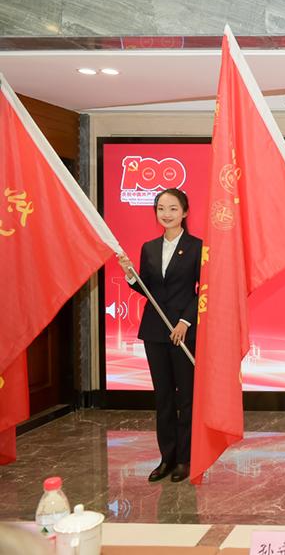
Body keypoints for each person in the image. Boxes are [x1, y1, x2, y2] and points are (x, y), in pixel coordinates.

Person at [117, 188, 201, 483]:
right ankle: (167, 458)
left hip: (183, 332)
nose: (166, 214)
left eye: (173, 208)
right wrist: (130, 275)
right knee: (163, 397)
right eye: (161, 208)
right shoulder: (149, 248)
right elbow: (148, 290)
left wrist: (185, 322)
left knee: (186, 399)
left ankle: (185, 460)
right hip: (155, 330)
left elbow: (203, 290)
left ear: (185, 212)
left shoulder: (197, 247)